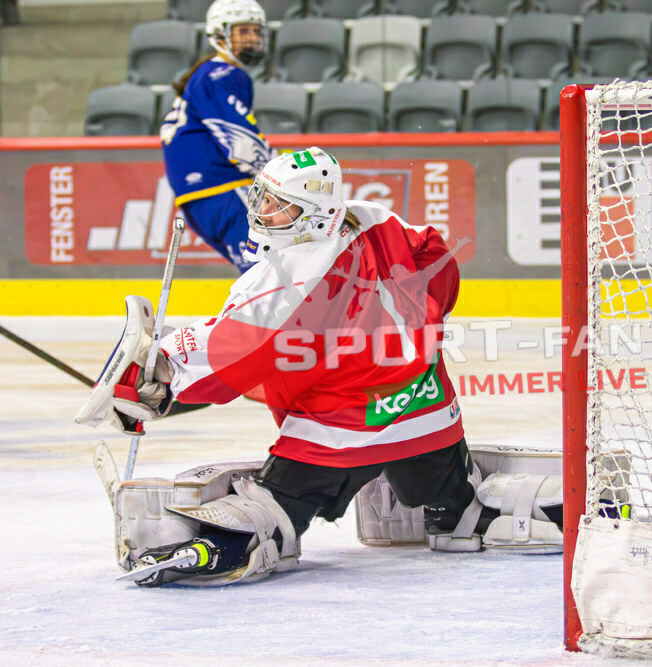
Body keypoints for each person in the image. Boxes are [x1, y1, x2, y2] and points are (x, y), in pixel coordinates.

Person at [76, 147, 563, 586]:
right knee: (456, 503)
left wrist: (159, 380)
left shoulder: (290, 274)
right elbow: (440, 266)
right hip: (427, 413)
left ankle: (235, 540)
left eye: (277, 204)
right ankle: (478, 511)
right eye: (262, 197)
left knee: (274, 511)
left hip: (341, 433)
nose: (261, 210)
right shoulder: (378, 220)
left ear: (313, 214)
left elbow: (231, 355)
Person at [159, 0, 275, 272]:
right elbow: (241, 143)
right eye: (243, 31)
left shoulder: (206, 74)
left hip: (197, 198)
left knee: (258, 271)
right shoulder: (222, 73)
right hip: (223, 189)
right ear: (219, 34)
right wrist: (279, 172)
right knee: (268, 270)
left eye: (256, 31)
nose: (252, 38)